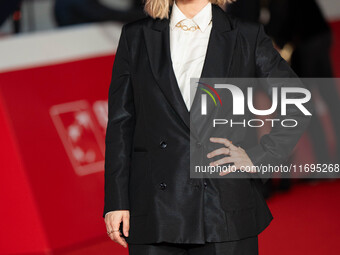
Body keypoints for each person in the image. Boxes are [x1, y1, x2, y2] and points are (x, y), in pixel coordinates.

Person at [103, 0, 312, 254]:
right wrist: (116, 201)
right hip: (155, 210)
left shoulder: (245, 35)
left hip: (223, 208)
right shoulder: (136, 36)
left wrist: (259, 156)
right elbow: (121, 123)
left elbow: (297, 101)